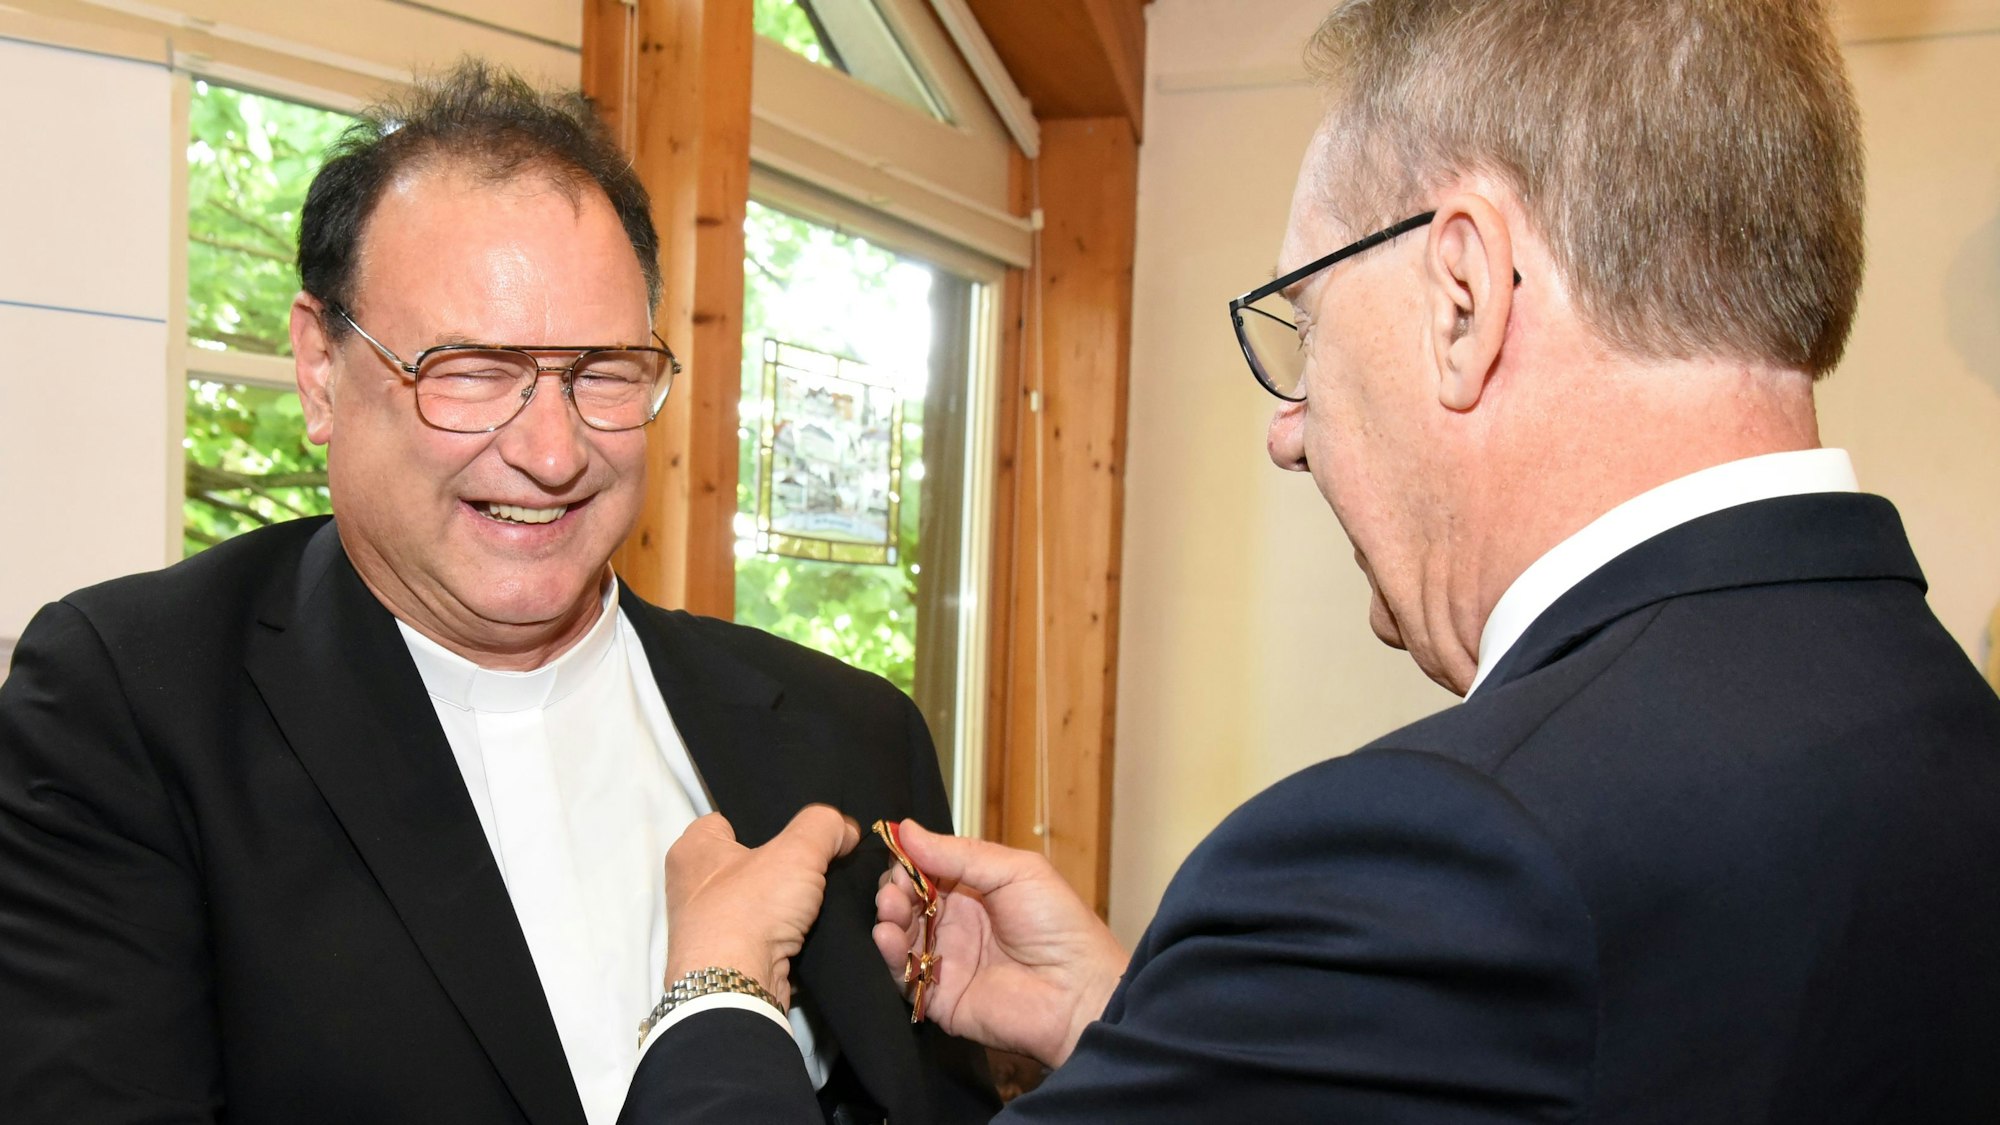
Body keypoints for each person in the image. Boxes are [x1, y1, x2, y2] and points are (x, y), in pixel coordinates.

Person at [617, 1, 2000, 1121]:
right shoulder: (1930, 714)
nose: (1289, 431)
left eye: (1305, 325)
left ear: (1463, 296)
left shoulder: (1441, 856)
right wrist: (1150, 1030)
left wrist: (720, 995)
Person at [0, 62, 994, 1125]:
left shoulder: (852, 733)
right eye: (471, 368)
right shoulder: (133, 705)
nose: (552, 450)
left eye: (605, 370)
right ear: (320, 369)